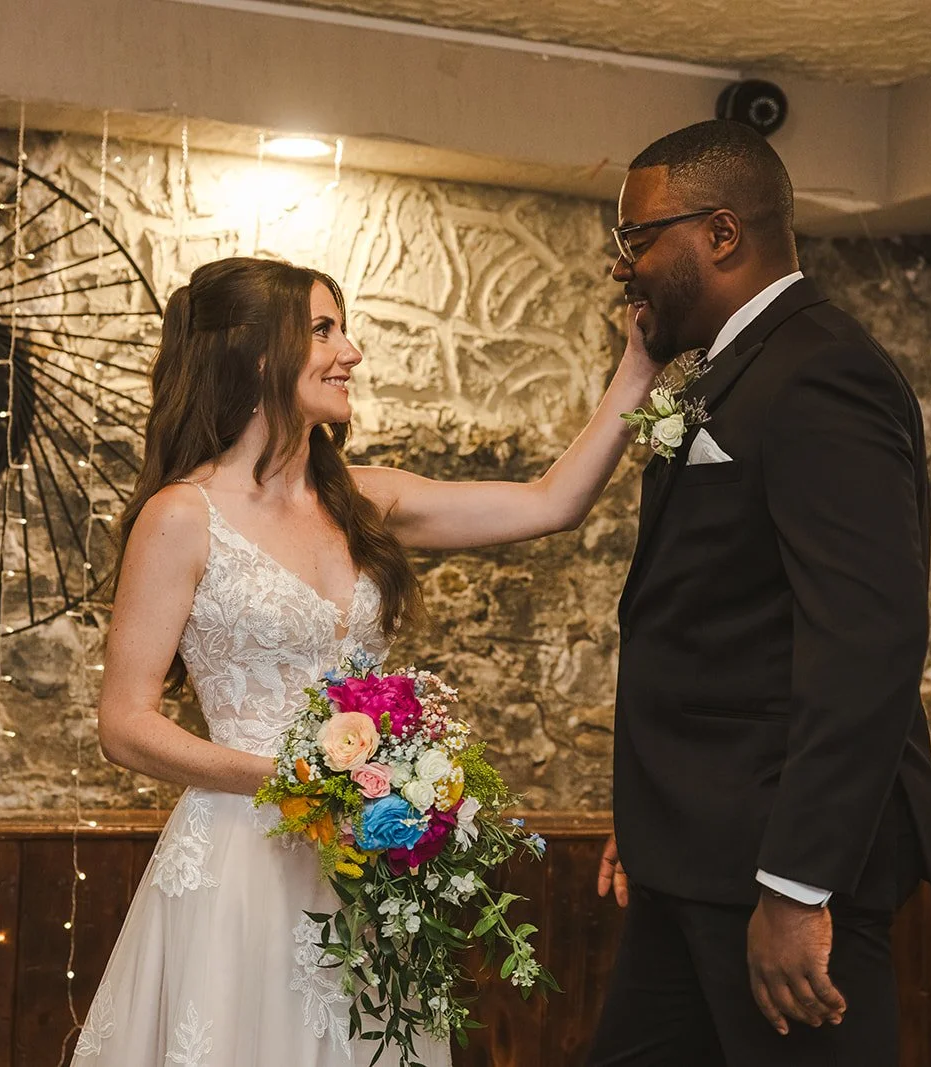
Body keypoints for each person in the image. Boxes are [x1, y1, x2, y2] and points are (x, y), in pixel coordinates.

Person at [74, 256, 659, 1065]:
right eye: (323, 330)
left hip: (365, 868)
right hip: (243, 863)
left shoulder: (366, 498)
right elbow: (124, 723)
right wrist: (293, 783)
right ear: (253, 352)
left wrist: (637, 368)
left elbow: (552, 504)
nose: (350, 351)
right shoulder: (183, 516)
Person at [588, 119, 931, 1066]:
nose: (621, 267)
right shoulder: (729, 372)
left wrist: (796, 885)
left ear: (719, 234)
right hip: (696, 852)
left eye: (635, 239)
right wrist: (651, 821)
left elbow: (867, 641)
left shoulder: (821, 370)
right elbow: (713, 626)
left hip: (772, 865)